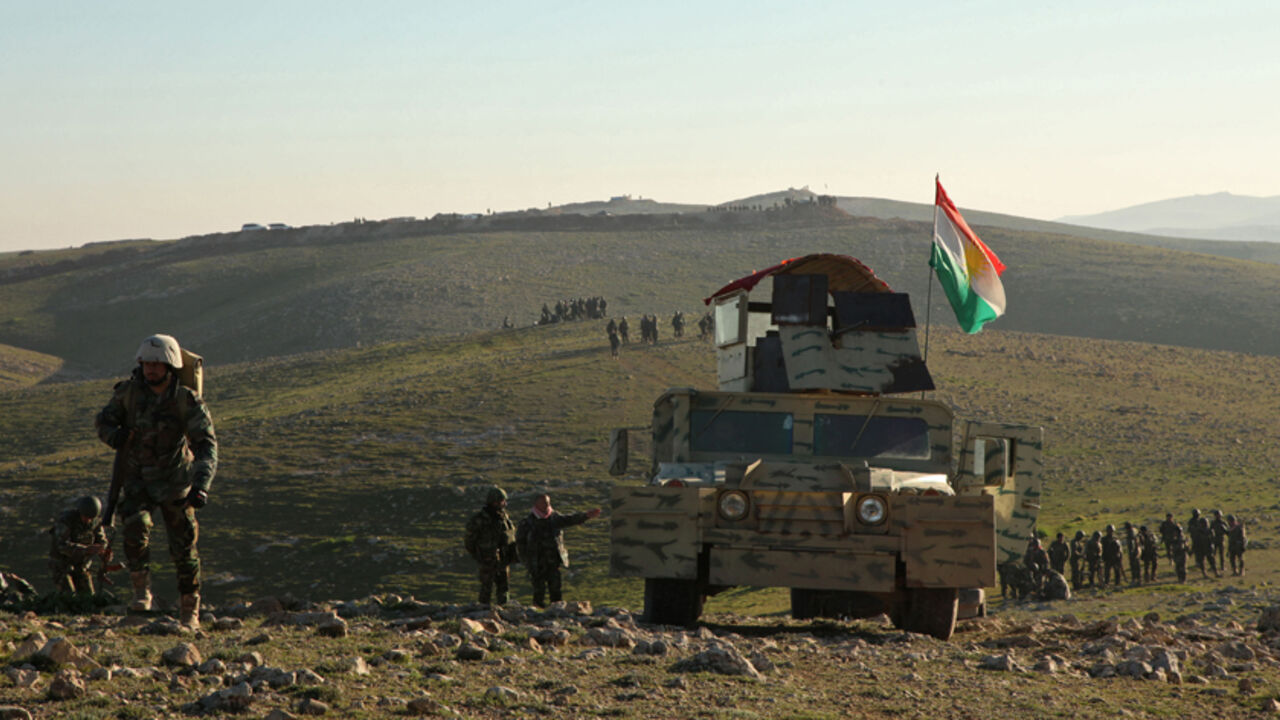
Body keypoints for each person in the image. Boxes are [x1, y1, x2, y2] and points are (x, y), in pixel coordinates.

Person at [95, 334, 217, 628]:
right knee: (134, 530)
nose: (150, 369)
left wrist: (201, 485)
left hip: (176, 482)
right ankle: (141, 592)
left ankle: (189, 609)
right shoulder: (128, 394)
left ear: (170, 366)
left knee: (184, 547)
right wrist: (116, 436)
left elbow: (206, 444)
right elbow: (104, 421)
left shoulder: (185, 400)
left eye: (157, 364)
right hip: (137, 479)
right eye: (146, 363)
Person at [515, 493, 601, 607]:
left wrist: (585, 516)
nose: (546, 505)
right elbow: (520, 543)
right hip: (536, 563)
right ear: (536, 504)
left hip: (553, 561)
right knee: (538, 589)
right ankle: (537, 613)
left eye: (548, 502)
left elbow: (570, 519)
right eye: (543, 502)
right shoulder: (527, 522)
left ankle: (556, 612)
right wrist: (526, 561)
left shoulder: (554, 518)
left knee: (556, 589)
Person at [464, 486, 517, 605]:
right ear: (494, 501)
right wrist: (479, 554)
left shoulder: (504, 518)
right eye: (501, 501)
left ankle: (503, 610)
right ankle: (482, 611)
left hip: (503, 559)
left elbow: (511, 535)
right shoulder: (480, 519)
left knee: (503, 587)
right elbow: (469, 540)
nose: (504, 504)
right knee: (486, 588)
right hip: (487, 559)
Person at [48, 496, 110, 595]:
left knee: (88, 596)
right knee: (69, 595)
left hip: (81, 566)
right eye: (86, 517)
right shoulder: (66, 521)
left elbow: (102, 540)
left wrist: (103, 550)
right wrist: (85, 550)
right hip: (61, 565)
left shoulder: (95, 522)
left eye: (91, 518)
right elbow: (62, 546)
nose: (88, 521)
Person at [1187, 508, 1219, 578]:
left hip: (1208, 548)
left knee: (1212, 561)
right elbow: (1195, 541)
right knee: (1202, 562)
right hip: (1200, 548)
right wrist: (1192, 550)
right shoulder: (1197, 531)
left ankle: (1215, 572)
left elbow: (1213, 540)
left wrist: (1213, 546)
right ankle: (1205, 574)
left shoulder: (1209, 531)